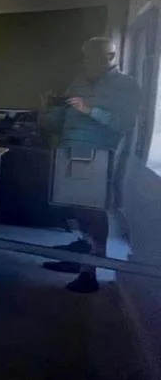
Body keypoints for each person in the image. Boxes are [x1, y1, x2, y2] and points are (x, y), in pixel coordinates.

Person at [41, 37, 141, 293]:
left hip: (98, 155)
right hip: (68, 151)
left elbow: (125, 123)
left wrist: (90, 110)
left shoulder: (126, 85)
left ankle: (90, 272)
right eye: (84, 57)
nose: (86, 62)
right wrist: (48, 107)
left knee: (93, 210)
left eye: (91, 57)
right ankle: (80, 258)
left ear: (109, 57)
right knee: (77, 208)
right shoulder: (79, 81)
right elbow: (55, 123)